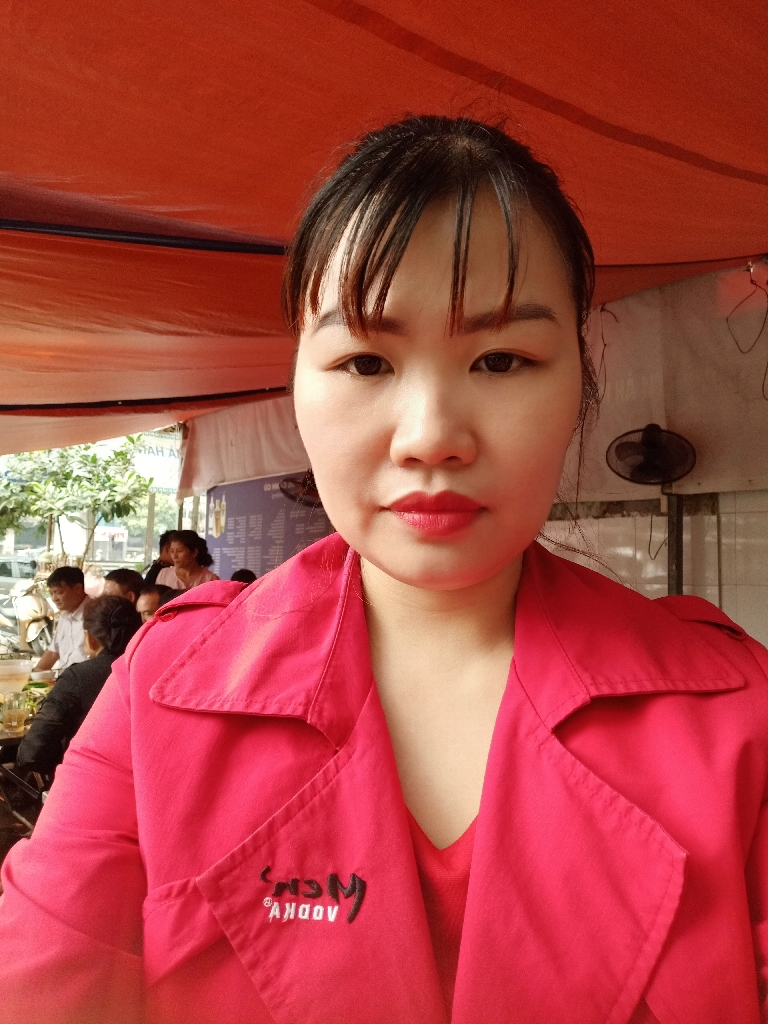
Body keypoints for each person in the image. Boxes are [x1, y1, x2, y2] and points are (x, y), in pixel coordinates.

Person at [1, 116, 767, 1024]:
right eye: (365, 360)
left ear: (580, 384)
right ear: (297, 383)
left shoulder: (737, 717)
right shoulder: (162, 693)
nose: (431, 437)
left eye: (501, 359)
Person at [15, 595, 141, 777]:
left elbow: (32, 752)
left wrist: (63, 764)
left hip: (87, 781)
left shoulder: (77, 678)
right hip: (147, 781)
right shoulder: (154, 672)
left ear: (90, 639)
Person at [33, 566, 89, 673]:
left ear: (78, 588)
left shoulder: (95, 614)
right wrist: (34, 674)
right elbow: (53, 652)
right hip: (64, 677)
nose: (54, 598)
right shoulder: (65, 615)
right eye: (52, 593)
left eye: (59, 592)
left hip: (84, 679)